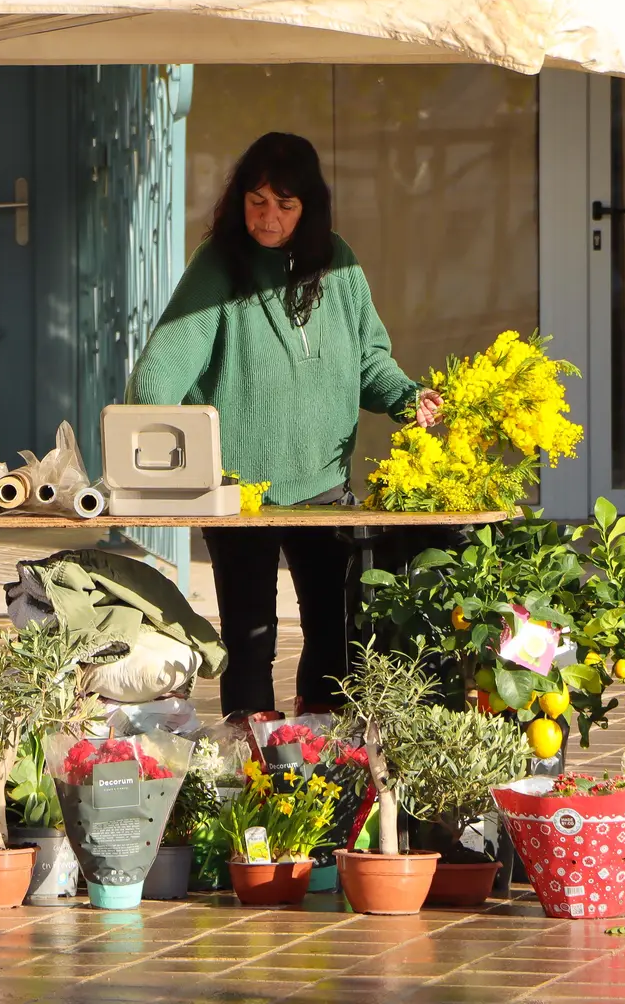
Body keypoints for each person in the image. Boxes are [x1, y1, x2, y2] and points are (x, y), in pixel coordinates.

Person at [127, 131, 439, 717]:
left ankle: (320, 760)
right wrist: (134, 444)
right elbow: (167, 360)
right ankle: (253, 770)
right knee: (250, 637)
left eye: (285, 205)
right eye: (257, 200)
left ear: (310, 208)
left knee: (336, 632)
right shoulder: (220, 262)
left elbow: (369, 358)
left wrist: (407, 397)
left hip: (323, 482)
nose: (268, 218)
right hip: (240, 492)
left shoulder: (338, 260)